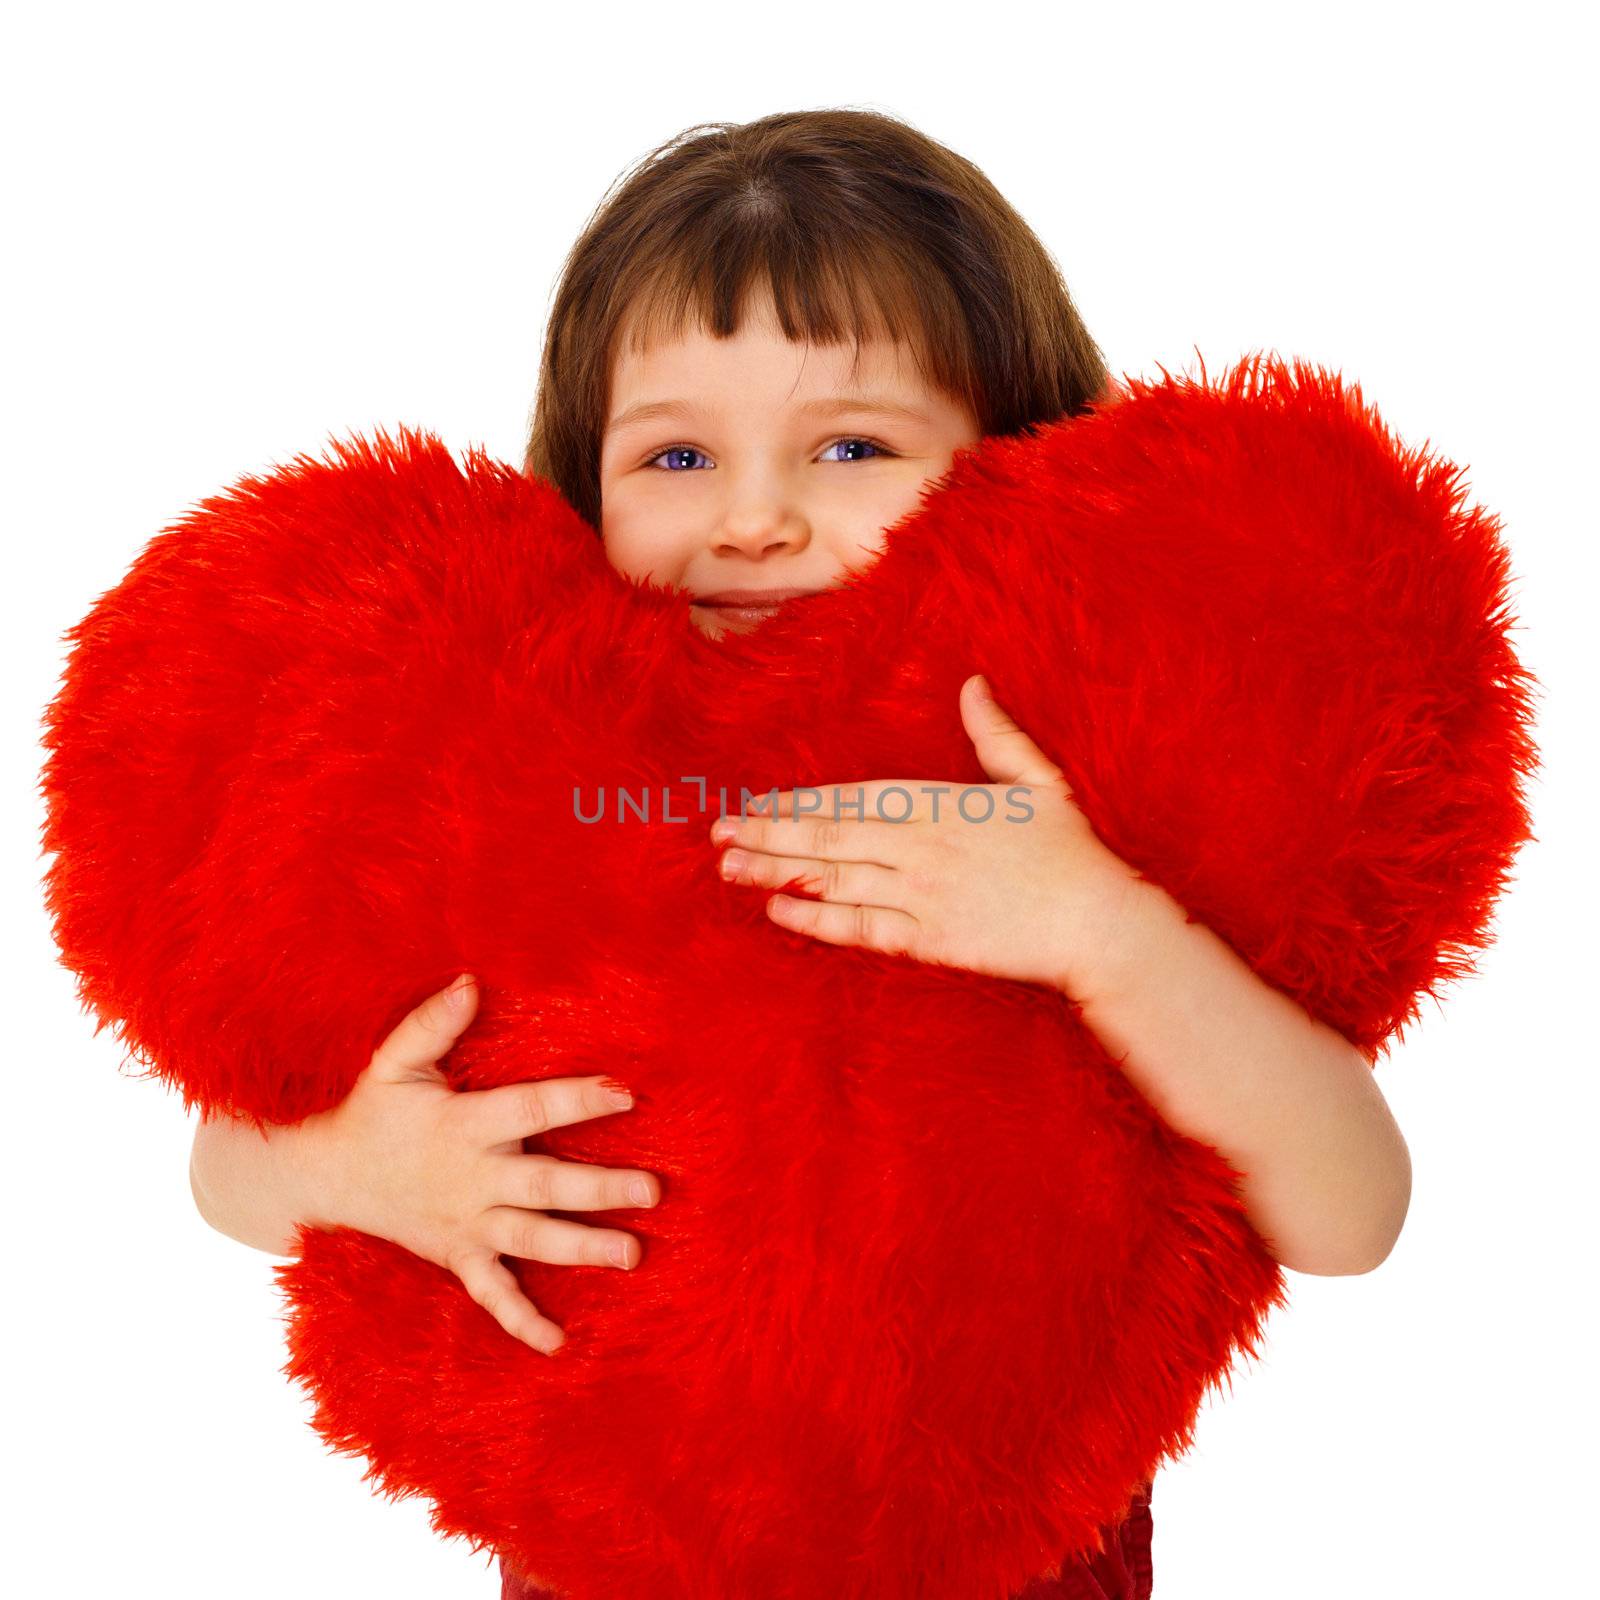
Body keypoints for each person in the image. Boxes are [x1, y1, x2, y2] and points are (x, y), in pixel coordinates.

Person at [191, 107, 1411, 1600]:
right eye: (679, 454)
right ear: (580, 492)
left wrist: (1103, 932)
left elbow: (1351, 1215)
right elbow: (226, 1167)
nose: (756, 519)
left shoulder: (1059, 824)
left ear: (1026, 466)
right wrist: (372, 1165)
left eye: (850, 445)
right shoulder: (529, 815)